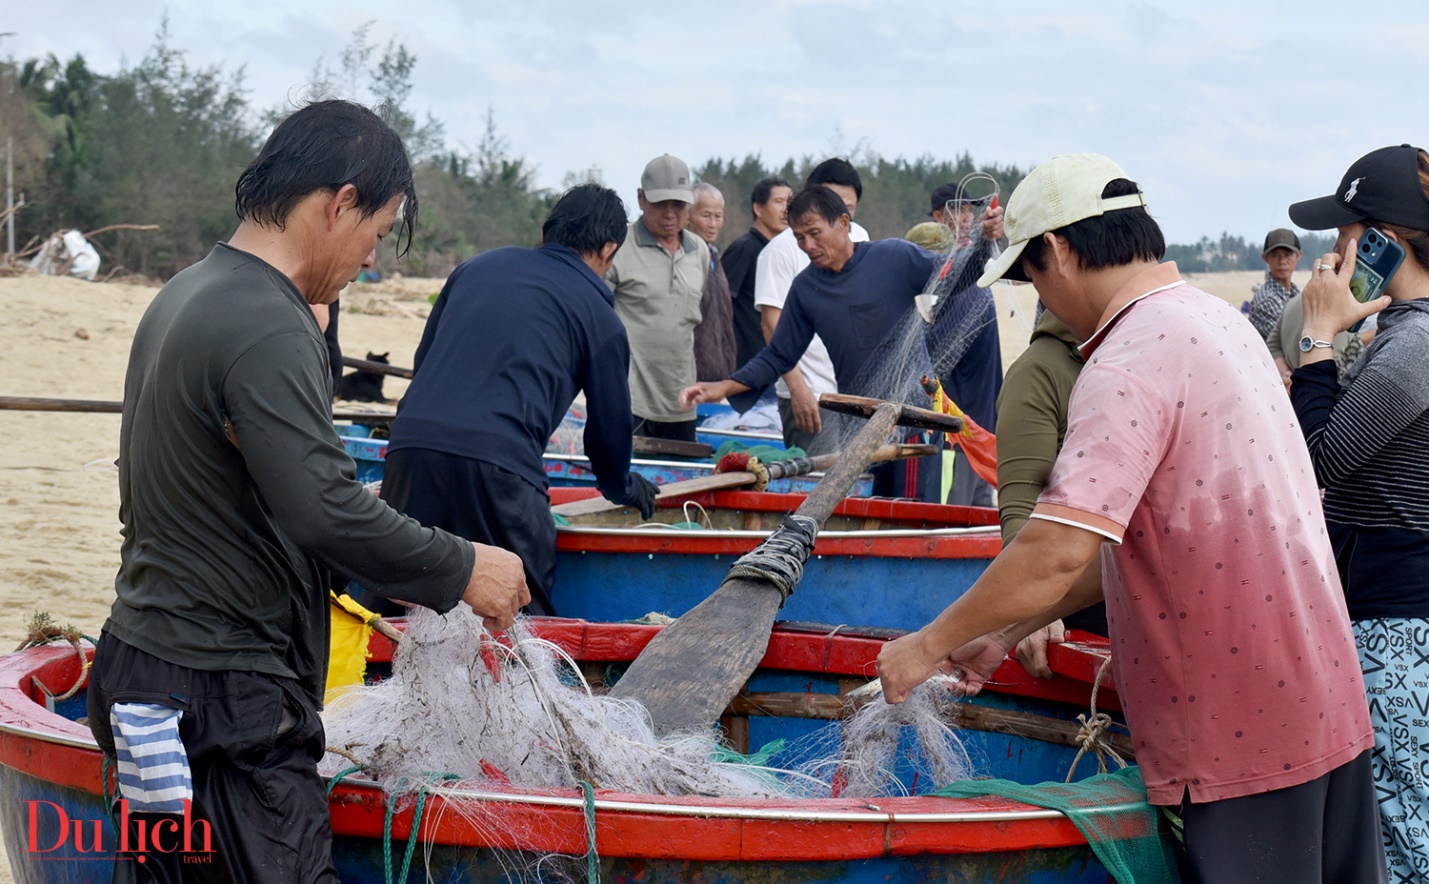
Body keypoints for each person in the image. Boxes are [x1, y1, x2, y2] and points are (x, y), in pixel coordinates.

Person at [876, 153, 1381, 882]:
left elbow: (1054, 546)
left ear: (1056, 250)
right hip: (1323, 706)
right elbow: (1141, 544)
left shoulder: (1126, 358)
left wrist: (927, 644)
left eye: (1030, 276)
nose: (1041, 295)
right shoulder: (1219, 324)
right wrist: (1005, 630)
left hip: (1239, 736)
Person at [85, 100, 530, 882]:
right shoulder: (268, 319)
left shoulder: (189, 290)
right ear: (341, 202)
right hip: (222, 700)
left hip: (144, 673)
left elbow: (257, 493)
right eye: (378, 233)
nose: (369, 259)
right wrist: (464, 568)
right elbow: (321, 505)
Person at [375, 184, 658, 618]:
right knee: (521, 612)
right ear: (608, 249)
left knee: (393, 600)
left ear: (546, 233)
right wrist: (624, 487)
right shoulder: (601, 318)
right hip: (501, 470)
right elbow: (607, 431)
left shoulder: (474, 268)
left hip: (410, 450)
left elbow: (424, 364)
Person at [1287, 143, 1429, 881]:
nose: (1332, 252)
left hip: (1397, 625)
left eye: (1344, 236)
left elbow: (1314, 459)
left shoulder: (1416, 345)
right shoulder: (1400, 336)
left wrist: (1315, 337)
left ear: (1382, 242)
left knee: (1397, 842)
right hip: (1388, 614)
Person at [681, 185, 1003, 502]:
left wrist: (984, 241)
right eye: (799, 238)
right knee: (867, 510)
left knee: (911, 513)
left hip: (914, 421)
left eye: (815, 233)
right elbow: (778, 355)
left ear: (844, 223)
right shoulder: (806, 289)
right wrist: (722, 388)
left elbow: (955, 276)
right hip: (860, 426)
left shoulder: (893, 257)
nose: (808, 245)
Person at [993, 306, 1108, 677]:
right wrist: (1031, 613)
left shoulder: (1141, 350)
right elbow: (1021, 506)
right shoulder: (1039, 371)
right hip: (1078, 603)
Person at [753, 158, 868, 455]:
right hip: (811, 395)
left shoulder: (861, 239)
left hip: (854, 396)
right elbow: (771, 326)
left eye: (848, 208)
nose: (839, 211)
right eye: (830, 200)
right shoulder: (780, 251)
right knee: (816, 487)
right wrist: (798, 389)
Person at [605, 154, 709, 441]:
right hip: (629, 398)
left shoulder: (698, 250)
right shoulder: (618, 248)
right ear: (641, 199)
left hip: (681, 400)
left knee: (681, 481)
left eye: (678, 204)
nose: (670, 214)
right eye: (660, 204)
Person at [722, 175, 793, 378]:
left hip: (775, 364)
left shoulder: (783, 251)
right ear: (758, 208)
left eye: (790, 203)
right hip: (746, 366)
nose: (785, 210)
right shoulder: (744, 248)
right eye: (778, 202)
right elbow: (721, 306)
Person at [687, 182, 738, 380]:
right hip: (693, 376)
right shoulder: (685, 258)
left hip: (722, 375)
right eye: (706, 215)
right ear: (688, 216)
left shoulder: (715, 256)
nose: (713, 223)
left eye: (718, 216)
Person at [1246, 228, 1302, 340]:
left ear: (1298, 256)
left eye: (1288, 255)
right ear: (1265, 258)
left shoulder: (1296, 293)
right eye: (1275, 255)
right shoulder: (1266, 301)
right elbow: (1289, 342)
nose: (1282, 261)